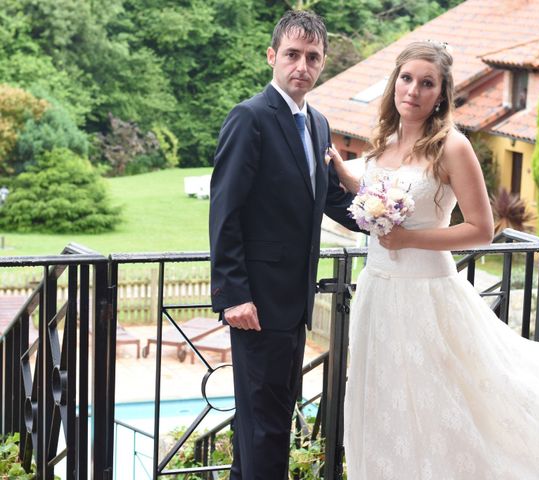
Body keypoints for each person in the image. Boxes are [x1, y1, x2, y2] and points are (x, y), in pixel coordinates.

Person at [327, 41, 539, 479]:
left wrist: (410, 242)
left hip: (428, 299)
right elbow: (378, 198)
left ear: (441, 94)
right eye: (406, 78)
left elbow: (481, 228)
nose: (413, 90)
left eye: (427, 83)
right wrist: (348, 177)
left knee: (441, 406)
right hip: (377, 293)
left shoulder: (452, 147)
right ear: (393, 83)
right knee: (384, 400)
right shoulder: (383, 143)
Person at [209, 10, 359, 479]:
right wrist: (234, 295)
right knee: (264, 427)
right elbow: (225, 211)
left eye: (313, 57)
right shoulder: (250, 117)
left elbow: (330, 198)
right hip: (255, 304)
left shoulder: (317, 123)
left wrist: (384, 218)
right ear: (272, 56)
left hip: (294, 304)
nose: (302, 65)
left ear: (323, 64)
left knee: (269, 420)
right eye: (292, 54)